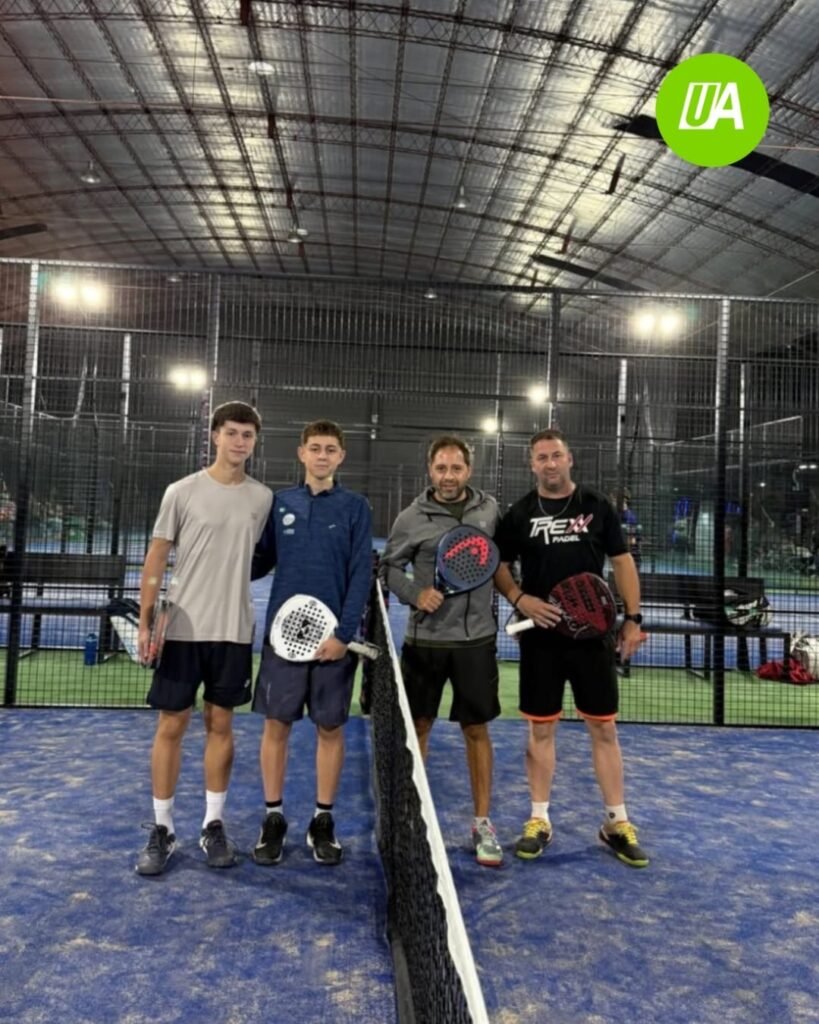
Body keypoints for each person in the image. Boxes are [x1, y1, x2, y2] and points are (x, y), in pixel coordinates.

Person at [494, 429, 648, 868]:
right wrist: (520, 599)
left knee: (604, 728)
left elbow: (622, 562)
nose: (550, 463)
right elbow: (499, 566)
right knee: (541, 730)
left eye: (556, 455)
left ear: (569, 459)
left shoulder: (596, 506)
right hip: (541, 639)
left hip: (592, 639)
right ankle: (538, 819)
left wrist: (633, 619)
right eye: (542, 457)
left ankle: (616, 822)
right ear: (532, 464)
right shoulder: (520, 514)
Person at [135, 401, 272, 876]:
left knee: (221, 724)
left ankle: (213, 824)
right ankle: (163, 828)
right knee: (171, 725)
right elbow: (157, 557)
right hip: (183, 629)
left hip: (233, 631)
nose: (239, 442)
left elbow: (261, 556)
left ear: (255, 442)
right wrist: (146, 621)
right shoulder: (182, 491)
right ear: (215, 436)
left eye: (247, 435)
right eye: (231, 432)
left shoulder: (262, 499)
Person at [250, 420, 372, 867]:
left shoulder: (356, 507)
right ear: (301, 453)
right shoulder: (280, 503)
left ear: (341, 457)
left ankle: (322, 819)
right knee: (276, 726)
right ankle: (273, 817)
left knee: (330, 729)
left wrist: (343, 635)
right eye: (315, 448)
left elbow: (361, 573)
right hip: (282, 640)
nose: (322, 456)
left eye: (331, 449)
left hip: (332, 644)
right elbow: (258, 561)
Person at [380, 435, 503, 867]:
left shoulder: (489, 511)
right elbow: (389, 568)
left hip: (476, 641)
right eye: (441, 468)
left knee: (477, 729)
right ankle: (409, 817)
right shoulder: (411, 517)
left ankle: (483, 824)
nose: (448, 476)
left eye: (456, 468)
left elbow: (497, 561)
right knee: (419, 728)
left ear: (468, 470)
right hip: (426, 641)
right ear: (430, 470)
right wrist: (415, 593)